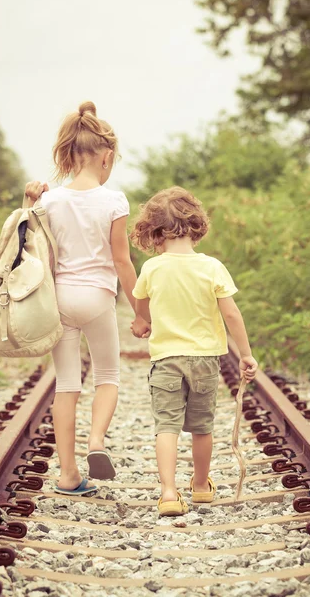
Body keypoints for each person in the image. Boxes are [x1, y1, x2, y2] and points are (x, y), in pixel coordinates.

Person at [24, 101, 149, 496]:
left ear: (68, 155)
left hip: (59, 300)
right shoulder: (115, 201)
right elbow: (122, 262)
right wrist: (140, 312)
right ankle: (96, 440)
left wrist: (29, 203)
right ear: (107, 156)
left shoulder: (48, 201)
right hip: (97, 298)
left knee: (66, 385)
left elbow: (29, 245)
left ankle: (67, 475)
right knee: (108, 377)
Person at [130, 186, 258, 516]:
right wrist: (245, 353)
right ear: (196, 226)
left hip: (166, 360)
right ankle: (201, 486)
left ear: (155, 233)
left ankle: (169, 493)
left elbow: (141, 307)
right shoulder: (212, 267)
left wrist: (142, 323)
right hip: (205, 360)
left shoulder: (152, 269)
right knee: (202, 427)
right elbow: (231, 313)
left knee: (167, 427)